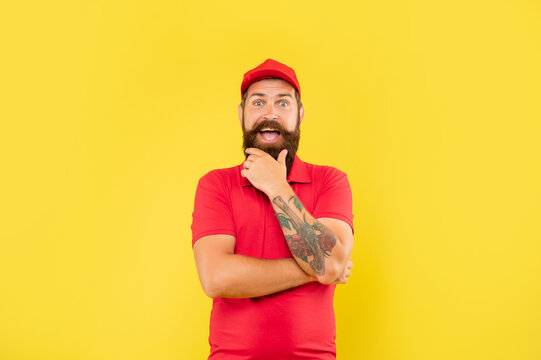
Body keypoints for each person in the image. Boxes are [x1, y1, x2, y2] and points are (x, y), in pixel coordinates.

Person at [191, 58, 354, 360]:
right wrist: (318, 268)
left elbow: (329, 264)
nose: (270, 113)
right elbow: (216, 278)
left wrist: (277, 187)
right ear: (241, 114)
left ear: (300, 115)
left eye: (282, 103)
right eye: (258, 103)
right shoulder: (216, 185)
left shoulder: (330, 180)